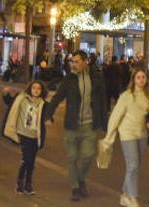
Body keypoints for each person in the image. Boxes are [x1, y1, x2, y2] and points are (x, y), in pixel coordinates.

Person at [46, 50, 108, 202]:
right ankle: (75, 187)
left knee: (87, 156)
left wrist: (105, 124)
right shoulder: (69, 79)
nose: (73, 64)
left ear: (86, 61)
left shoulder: (97, 78)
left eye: (77, 61)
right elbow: (58, 96)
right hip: (72, 124)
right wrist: (48, 114)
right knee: (72, 157)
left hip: (89, 124)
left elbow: (103, 101)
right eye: (72, 61)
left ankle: (81, 179)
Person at [102, 68, 149, 207]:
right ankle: (133, 198)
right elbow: (115, 117)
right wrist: (109, 136)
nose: (141, 80)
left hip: (142, 135)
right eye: (138, 77)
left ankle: (125, 195)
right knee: (133, 165)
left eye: (143, 77)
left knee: (135, 166)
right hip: (127, 134)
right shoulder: (126, 96)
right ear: (133, 79)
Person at [3, 80, 51, 195]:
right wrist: (5, 93)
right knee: (26, 159)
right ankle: (20, 183)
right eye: (34, 88)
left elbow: (48, 115)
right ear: (30, 88)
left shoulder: (43, 103)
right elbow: (9, 102)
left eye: (38, 88)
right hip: (23, 134)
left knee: (31, 161)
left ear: (42, 91)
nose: (36, 90)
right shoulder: (22, 99)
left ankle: (28, 185)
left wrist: (49, 117)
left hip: (35, 136)